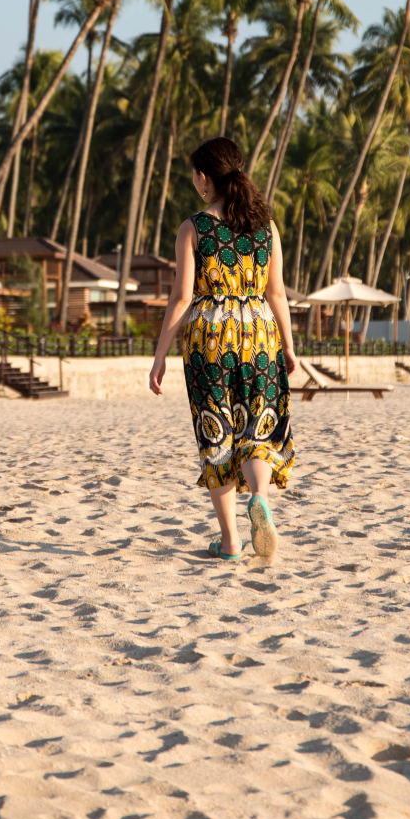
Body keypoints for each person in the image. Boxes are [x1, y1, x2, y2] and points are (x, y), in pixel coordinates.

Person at [148, 137, 297, 562]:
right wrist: (287, 344)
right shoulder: (266, 227)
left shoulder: (194, 228)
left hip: (210, 338)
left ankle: (231, 541)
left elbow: (180, 298)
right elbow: (278, 293)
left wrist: (159, 355)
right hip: (261, 334)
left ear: (203, 177)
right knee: (258, 428)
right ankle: (261, 500)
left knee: (218, 432)